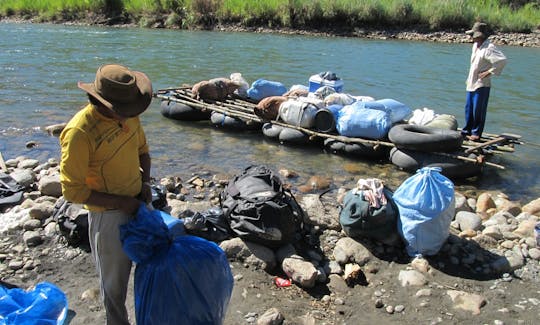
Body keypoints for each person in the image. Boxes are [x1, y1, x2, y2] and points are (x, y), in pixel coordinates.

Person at [59, 64, 153, 325]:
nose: (130, 115)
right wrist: (123, 203)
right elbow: (73, 191)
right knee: (114, 287)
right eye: (123, 112)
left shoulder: (129, 113)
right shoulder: (80, 132)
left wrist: (145, 183)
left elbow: (143, 151)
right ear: (104, 104)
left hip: (139, 202)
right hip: (109, 215)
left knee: (154, 266)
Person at [461, 21, 507, 141]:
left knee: (478, 110)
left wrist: (489, 72)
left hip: (482, 84)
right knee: (469, 108)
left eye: (473, 35)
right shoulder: (475, 46)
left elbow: (502, 60)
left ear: (479, 36)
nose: (471, 37)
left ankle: (476, 133)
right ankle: (467, 130)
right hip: (472, 82)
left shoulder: (489, 48)